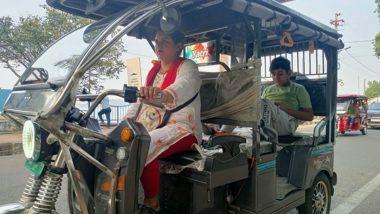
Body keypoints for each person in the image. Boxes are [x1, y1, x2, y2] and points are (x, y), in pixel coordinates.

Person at [123, 30, 201, 214]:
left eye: (165, 41)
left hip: (183, 127)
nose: (159, 45)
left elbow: (186, 84)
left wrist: (165, 94)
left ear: (179, 45)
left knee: (143, 145)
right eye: (157, 41)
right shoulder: (154, 71)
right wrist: (126, 121)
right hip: (154, 126)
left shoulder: (188, 66)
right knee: (119, 143)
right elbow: (140, 101)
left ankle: (152, 202)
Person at [261, 56, 314, 136]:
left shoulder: (298, 89)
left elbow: (309, 116)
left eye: (280, 74)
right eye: (273, 74)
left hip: (287, 124)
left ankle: (261, 130)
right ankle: (260, 130)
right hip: (268, 121)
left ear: (289, 73)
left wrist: (285, 109)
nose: (276, 78)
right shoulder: (267, 90)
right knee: (256, 101)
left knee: (264, 103)